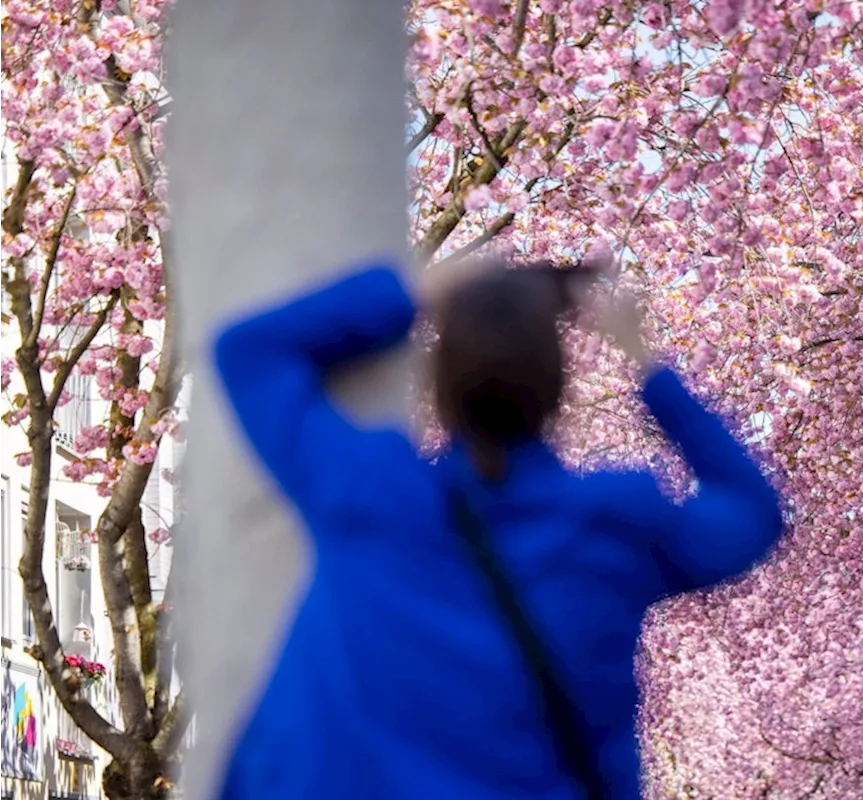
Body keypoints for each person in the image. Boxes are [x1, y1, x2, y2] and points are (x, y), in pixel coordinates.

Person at [212, 256, 784, 799]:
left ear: (439, 384)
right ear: (558, 392)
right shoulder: (617, 526)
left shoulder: (371, 492)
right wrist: (647, 367)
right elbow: (752, 512)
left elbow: (249, 351)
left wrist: (420, 293)